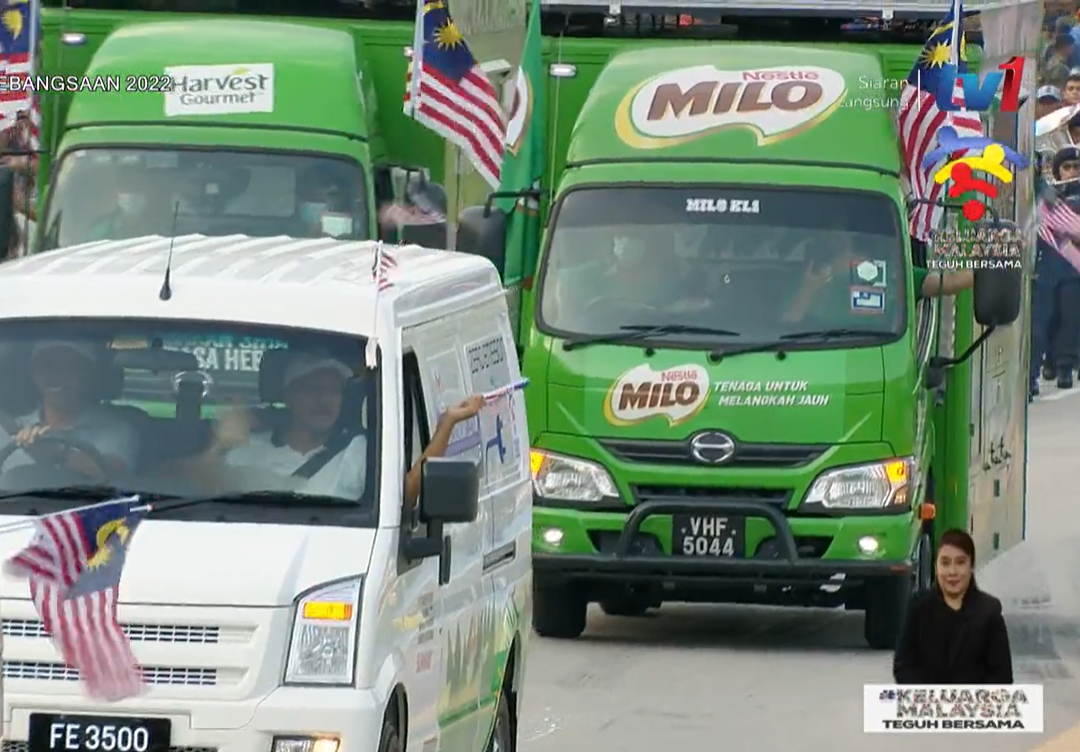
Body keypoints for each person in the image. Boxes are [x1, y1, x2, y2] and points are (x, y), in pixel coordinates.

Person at [200, 351, 483, 504]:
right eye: (312, 390)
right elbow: (188, 487)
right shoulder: (247, 450)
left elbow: (407, 494)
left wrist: (447, 424)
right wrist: (218, 446)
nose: (324, 400)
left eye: (333, 391)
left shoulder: (359, 452)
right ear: (289, 395)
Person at [893, 528, 1014, 684]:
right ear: (936, 567)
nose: (952, 571)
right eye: (945, 563)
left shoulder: (990, 611)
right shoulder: (919, 607)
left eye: (960, 563)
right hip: (927, 705)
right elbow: (903, 666)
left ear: (971, 567)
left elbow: (1002, 676)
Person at [4, 340, 139, 480]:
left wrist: (56, 452)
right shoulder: (10, 430)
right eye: (48, 366)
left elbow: (114, 476)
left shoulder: (117, 431)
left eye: (69, 367)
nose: (56, 376)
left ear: (87, 375)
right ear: (33, 373)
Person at [86, 170, 178, 242]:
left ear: (147, 194)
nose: (132, 195)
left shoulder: (158, 232)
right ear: (117, 193)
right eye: (127, 189)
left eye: (137, 189)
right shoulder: (101, 229)